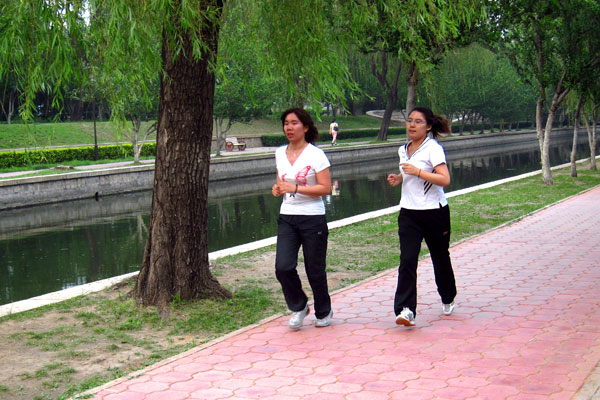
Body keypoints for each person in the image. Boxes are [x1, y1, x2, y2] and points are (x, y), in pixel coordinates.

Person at [387, 106, 457, 327]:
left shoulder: (433, 148)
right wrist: (399, 178)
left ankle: (448, 296)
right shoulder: (403, 149)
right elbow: (409, 171)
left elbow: (444, 179)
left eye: (418, 122)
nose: (412, 125)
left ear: (428, 126)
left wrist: (417, 172)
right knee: (407, 260)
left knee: (439, 256)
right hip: (409, 213)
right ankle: (406, 310)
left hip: (434, 212)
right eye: (409, 120)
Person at [272, 108, 334, 330]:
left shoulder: (315, 154)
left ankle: (324, 311)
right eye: (286, 123)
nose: (289, 127)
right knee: (283, 267)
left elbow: (326, 188)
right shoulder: (280, 152)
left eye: (294, 123)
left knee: (314, 269)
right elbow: (281, 180)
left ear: (305, 127)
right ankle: (299, 306)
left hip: (312, 218)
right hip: (287, 216)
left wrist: (296, 187)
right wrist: (278, 188)